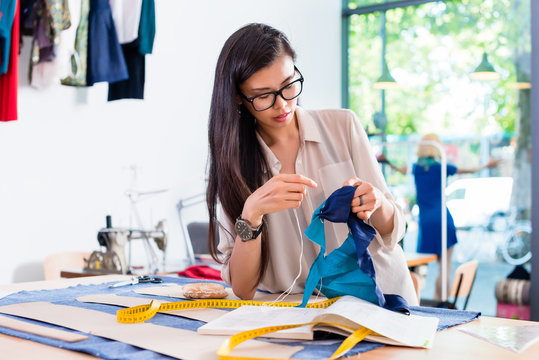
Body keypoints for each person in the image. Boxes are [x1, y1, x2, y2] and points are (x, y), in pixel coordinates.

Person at [206, 23, 417, 305]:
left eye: (288, 85)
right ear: (238, 97)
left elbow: (394, 231)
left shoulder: (343, 125)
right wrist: (252, 215)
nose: (282, 105)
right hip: (304, 319)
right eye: (264, 95)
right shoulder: (233, 167)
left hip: (384, 303)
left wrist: (377, 204)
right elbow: (243, 288)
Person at [378, 133, 499, 300]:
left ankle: (418, 300)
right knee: (445, 267)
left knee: (420, 268)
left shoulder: (416, 168)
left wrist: (387, 161)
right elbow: (468, 170)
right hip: (443, 219)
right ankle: (440, 301)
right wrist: (487, 165)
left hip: (426, 221)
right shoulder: (441, 167)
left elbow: (399, 169)